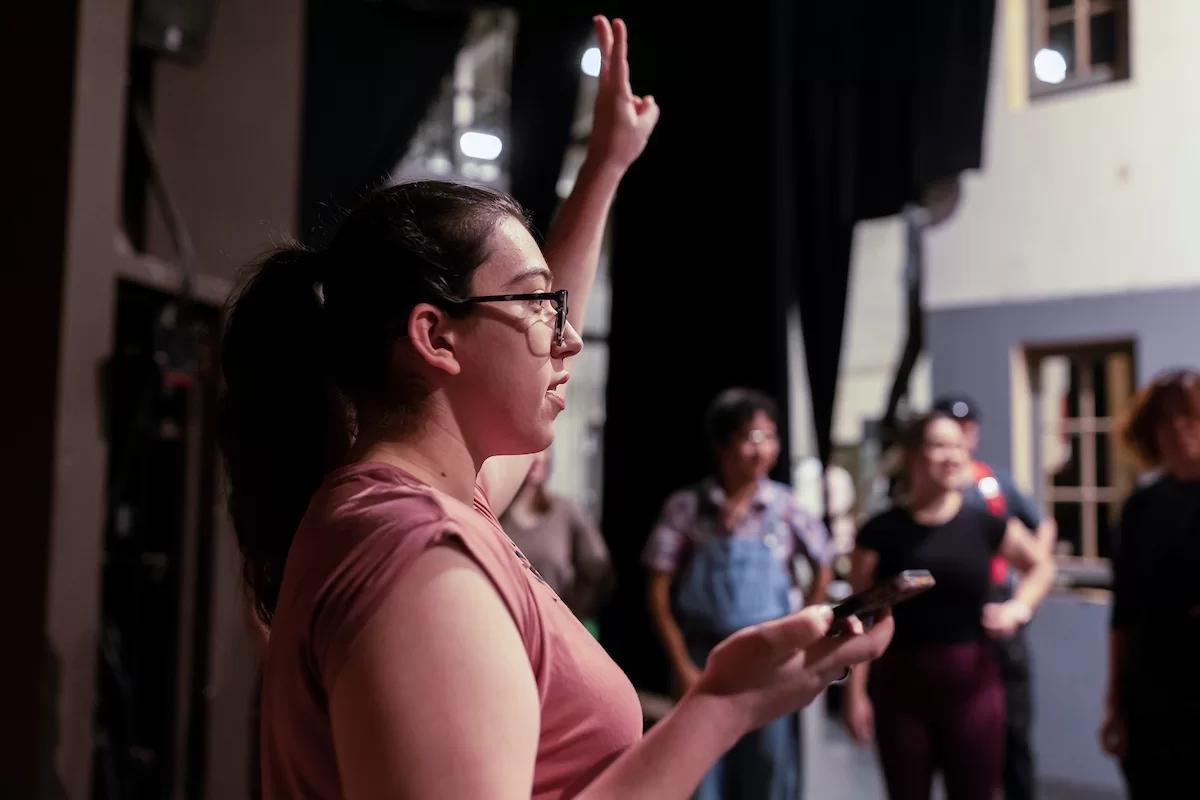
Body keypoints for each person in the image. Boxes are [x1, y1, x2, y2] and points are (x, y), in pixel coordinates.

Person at [218, 17, 894, 800]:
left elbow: (526, 316)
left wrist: (605, 168)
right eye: (540, 308)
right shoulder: (418, 557)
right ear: (435, 337)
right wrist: (723, 705)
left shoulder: (425, 503)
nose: (568, 339)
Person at [842, 411, 1056, 800]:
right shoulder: (880, 531)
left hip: (973, 686)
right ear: (912, 455)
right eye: (939, 445)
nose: (952, 456)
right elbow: (861, 614)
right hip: (901, 687)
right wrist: (855, 695)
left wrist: (1018, 608)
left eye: (958, 446)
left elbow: (1041, 566)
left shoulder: (986, 523)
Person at [643, 388, 835, 800]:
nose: (763, 449)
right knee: (700, 777)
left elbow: (825, 560)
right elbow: (657, 590)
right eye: (751, 437)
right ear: (723, 445)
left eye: (770, 436)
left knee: (767, 773)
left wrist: (807, 619)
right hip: (703, 661)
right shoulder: (688, 507)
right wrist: (681, 664)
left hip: (770, 660)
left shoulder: (784, 506)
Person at [932, 394, 1056, 800]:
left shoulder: (993, 484)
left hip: (995, 608)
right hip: (944, 622)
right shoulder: (921, 492)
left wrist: (1020, 600)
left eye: (965, 430)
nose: (959, 440)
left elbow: (1041, 531)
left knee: (1014, 732)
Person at [1101, 369, 1200, 797]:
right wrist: (1115, 702)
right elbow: (1124, 612)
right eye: (1166, 418)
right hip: (1153, 690)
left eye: (1189, 415)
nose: (1179, 428)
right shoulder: (1141, 509)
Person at [500, 448, 613, 624]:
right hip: (506, 623)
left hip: (554, 627)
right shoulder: (495, 514)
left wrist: (574, 613)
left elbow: (598, 568)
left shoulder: (565, 512)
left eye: (543, 452)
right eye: (530, 452)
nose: (537, 458)